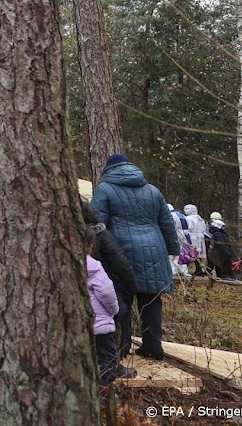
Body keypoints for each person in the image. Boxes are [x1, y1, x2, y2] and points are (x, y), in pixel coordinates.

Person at [91, 153, 178, 360]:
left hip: (121, 253)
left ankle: (122, 347)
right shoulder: (153, 191)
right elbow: (167, 223)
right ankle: (153, 347)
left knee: (122, 301)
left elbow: (95, 222)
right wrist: (173, 249)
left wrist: (91, 252)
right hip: (155, 252)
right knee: (152, 301)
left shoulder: (105, 190)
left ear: (108, 170)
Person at [82, 202, 139, 379]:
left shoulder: (74, 237)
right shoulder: (101, 235)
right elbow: (120, 263)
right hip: (106, 291)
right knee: (116, 321)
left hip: (89, 298)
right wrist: (133, 287)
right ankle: (114, 366)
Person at [86, 231, 120, 393]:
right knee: (109, 358)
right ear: (90, 246)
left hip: (81, 327)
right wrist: (114, 310)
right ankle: (104, 390)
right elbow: (106, 292)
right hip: (100, 325)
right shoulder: (95, 268)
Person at [167, 204, 192, 280]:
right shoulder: (181, 215)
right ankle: (183, 270)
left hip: (175, 235)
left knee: (171, 254)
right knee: (181, 254)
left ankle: (173, 271)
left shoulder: (170, 215)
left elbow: (170, 227)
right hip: (183, 236)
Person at [183, 205, 209, 276]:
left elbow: (186, 229)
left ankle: (194, 270)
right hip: (200, 238)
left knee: (191, 254)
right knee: (198, 254)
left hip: (192, 237)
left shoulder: (188, 219)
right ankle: (199, 269)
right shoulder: (200, 219)